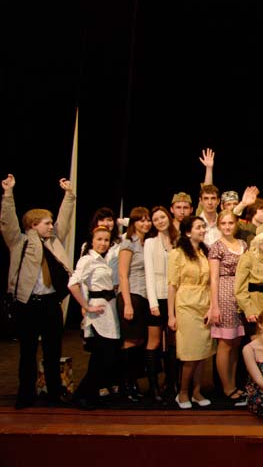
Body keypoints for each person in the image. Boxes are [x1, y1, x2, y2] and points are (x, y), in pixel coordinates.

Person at [1, 174, 75, 409]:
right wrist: (8, 193)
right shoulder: (19, 241)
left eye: (51, 223)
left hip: (51, 303)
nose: (52, 226)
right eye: (47, 223)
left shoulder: (54, 241)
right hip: (28, 304)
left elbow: (65, 219)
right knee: (28, 352)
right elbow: (7, 222)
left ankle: (54, 393)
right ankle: (26, 394)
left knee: (53, 352)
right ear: (33, 225)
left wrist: (69, 195)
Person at [67, 226, 119, 410]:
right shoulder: (87, 260)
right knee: (103, 356)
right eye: (99, 239)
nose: (103, 243)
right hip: (98, 311)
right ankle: (82, 394)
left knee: (102, 357)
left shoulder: (103, 259)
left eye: (106, 240)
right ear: (92, 241)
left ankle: (90, 395)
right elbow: (73, 284)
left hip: (109, 309)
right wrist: (86, 305)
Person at [168, 216, 215, 409]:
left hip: (204, 303)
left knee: (202, 351)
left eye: (203, 227)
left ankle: (197, 391)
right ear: (188, 232)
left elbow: (211, 282)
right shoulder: (177, 253)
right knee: (190, 352)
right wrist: (171, 315)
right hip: (186, 305)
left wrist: (212, 306)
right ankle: (183, 392)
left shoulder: (205, 252)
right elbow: (172, 285)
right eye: (198, 227)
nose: (203, 230)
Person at [207, 209, 248, 406]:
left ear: (236, 224)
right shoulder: (216, 247)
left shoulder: (243, 244)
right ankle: (226, 387)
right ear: (219, 226)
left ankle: (233, 383)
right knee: (225, 343)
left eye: (230, 223)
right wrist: (214, 306)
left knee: (236, 342)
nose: (227, 227)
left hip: (241, 294)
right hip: (224, 293)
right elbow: (213, 278)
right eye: (223, 223)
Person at [117, 206, 155, 402]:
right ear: (133, 222)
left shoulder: (146, 242)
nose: (146, 223)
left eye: (148, 220)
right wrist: (127, 304)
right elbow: (123, 275)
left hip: (144, 297)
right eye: (141, 220)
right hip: (131, 295)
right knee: (130, 341)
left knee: (139, 341)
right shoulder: (128, 243)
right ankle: (125, 385)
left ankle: (133, 384)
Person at [143, 205, 179, 402]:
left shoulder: (177, 240)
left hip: (176, 297)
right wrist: (153, 303)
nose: (159, 221)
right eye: (155, 219)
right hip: (157, 297)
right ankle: (154, 386)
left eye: (162, 217)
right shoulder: (150, 243)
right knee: (154, 342)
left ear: (168, 217)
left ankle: (171, 384)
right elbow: (148, 273)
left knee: (173, 342)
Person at [234, 228, 263, 337]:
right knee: (256, 340)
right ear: (259, 242)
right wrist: (248, 309)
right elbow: (240, 288)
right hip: (255, 305)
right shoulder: (248, 258)